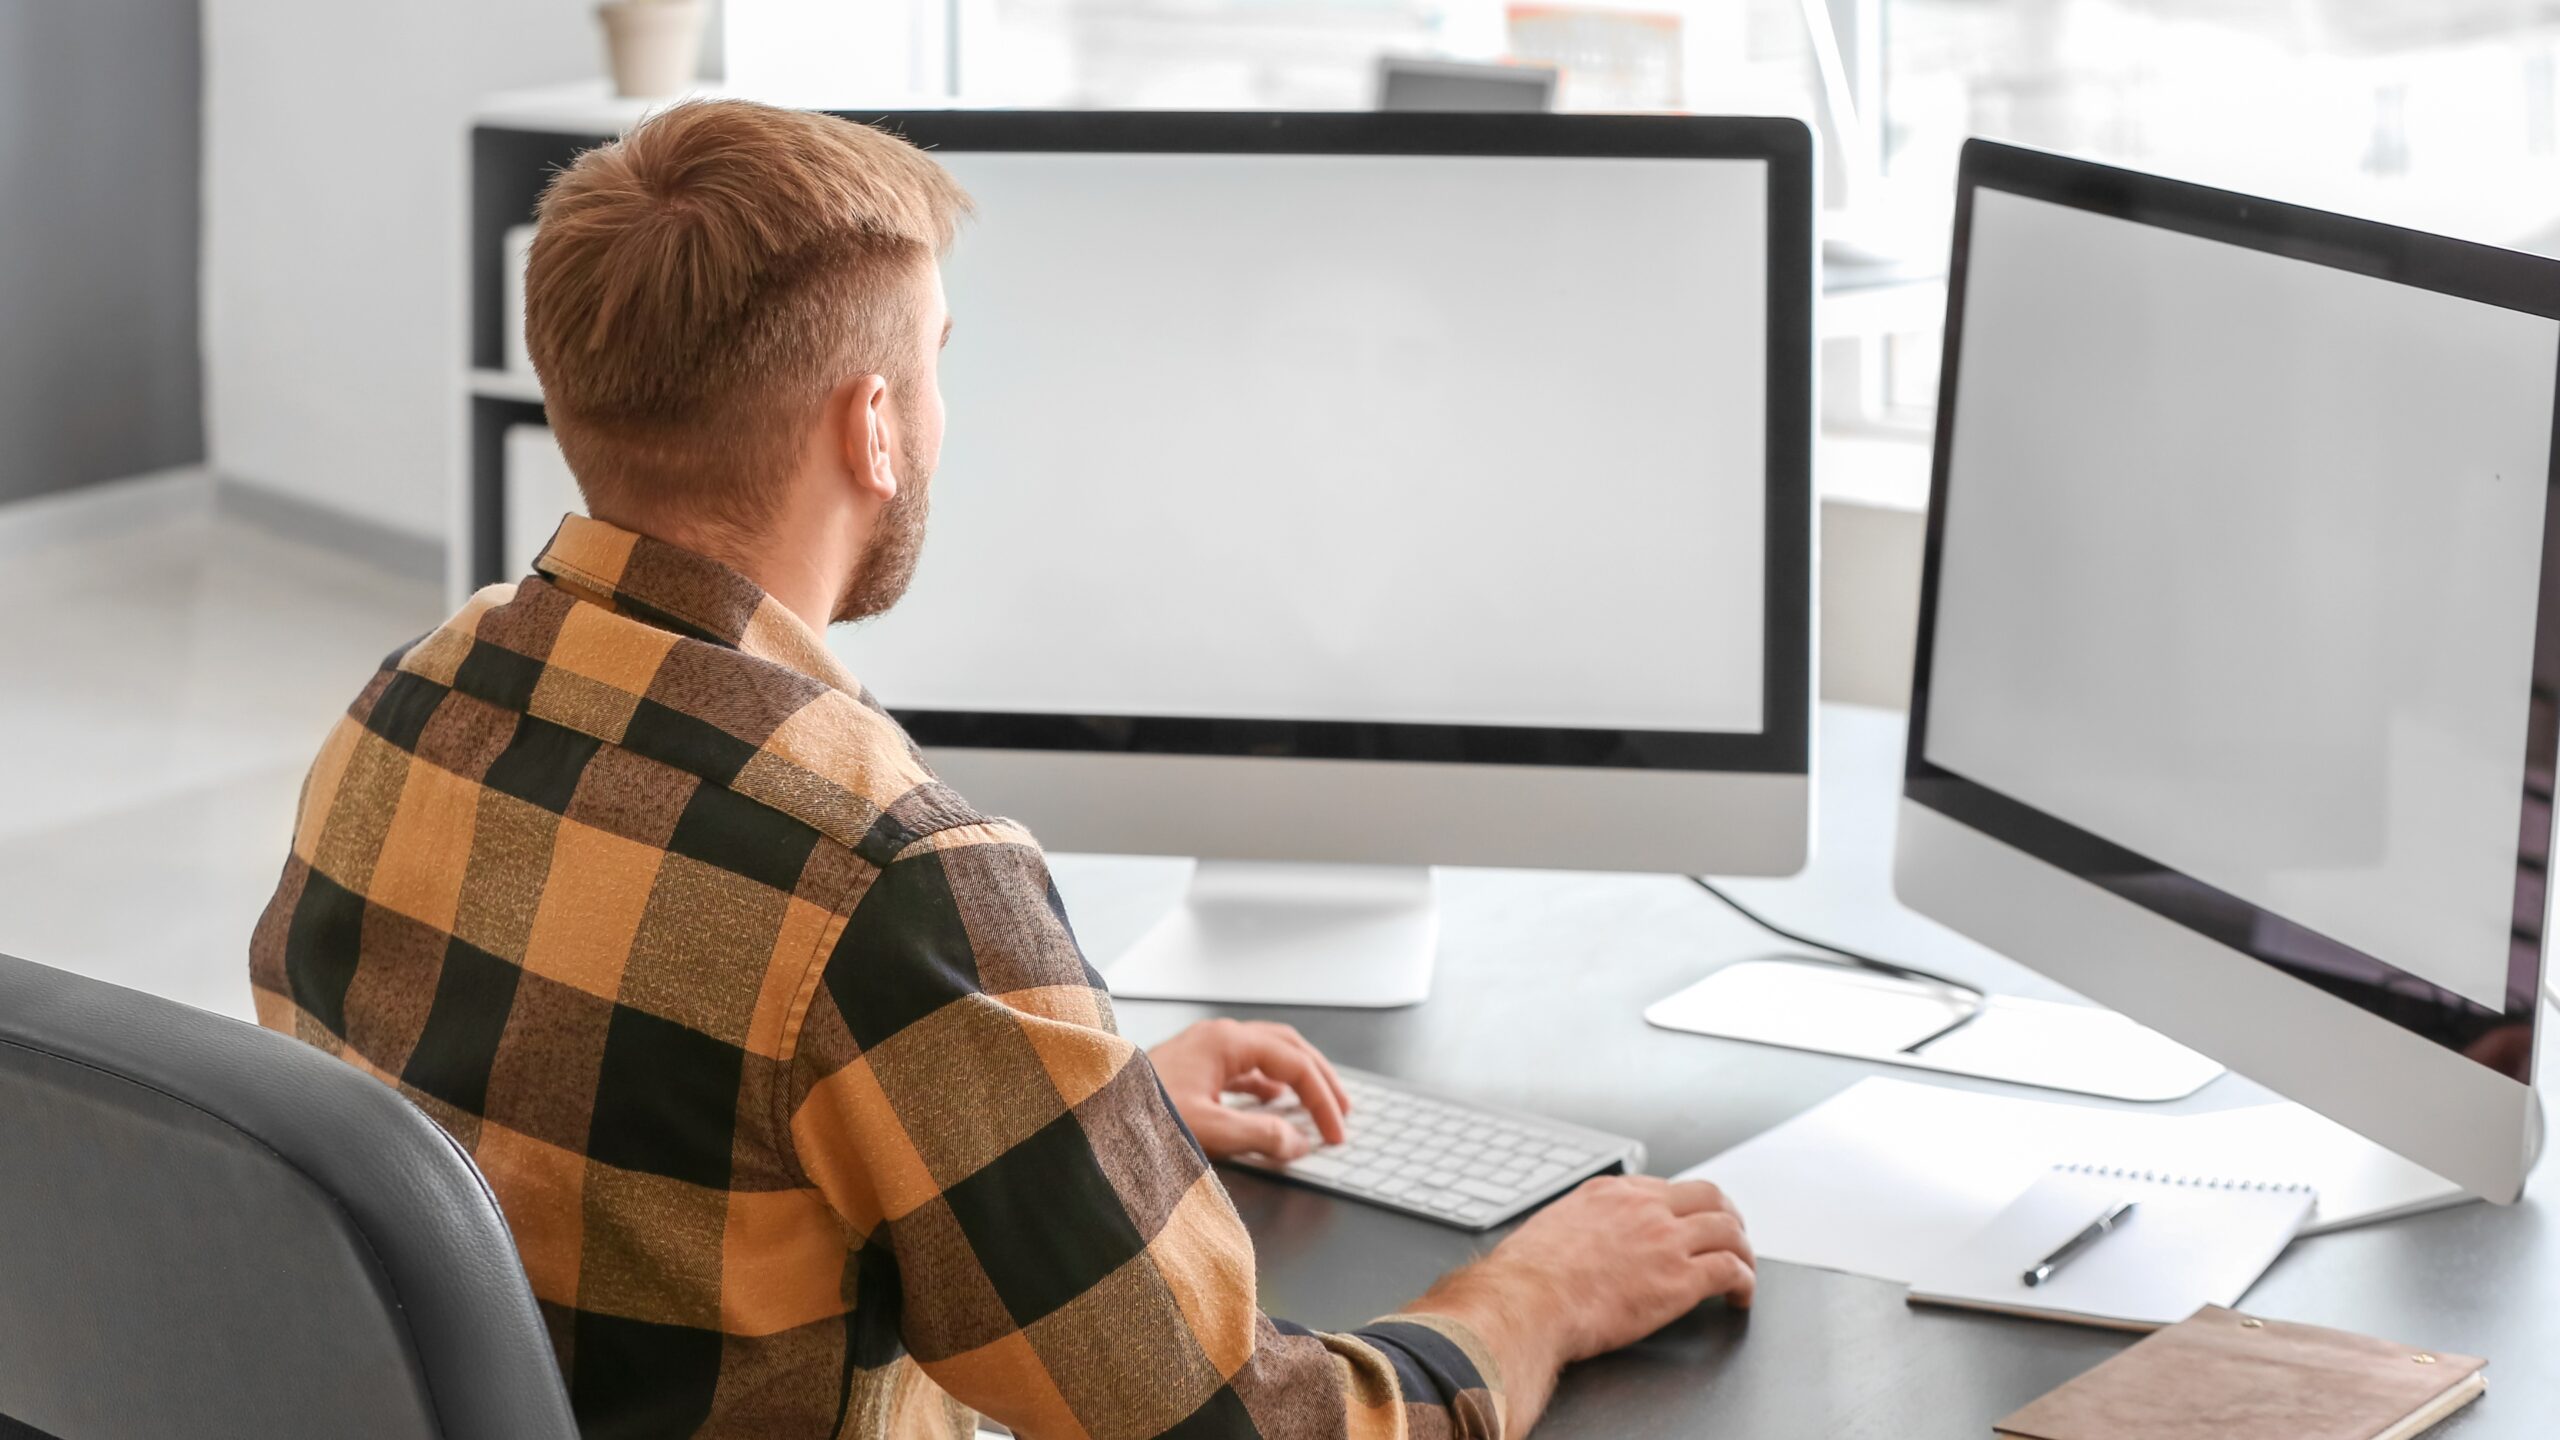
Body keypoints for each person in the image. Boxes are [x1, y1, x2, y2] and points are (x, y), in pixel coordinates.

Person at [249, 98, 1754, 1440]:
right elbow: (1229, 1431)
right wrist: (1530, 1298)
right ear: (877, 429)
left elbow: (615, 1134)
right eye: (938, 366)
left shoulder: (406, 710)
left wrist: (1038, 1118)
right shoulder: (887, 875)